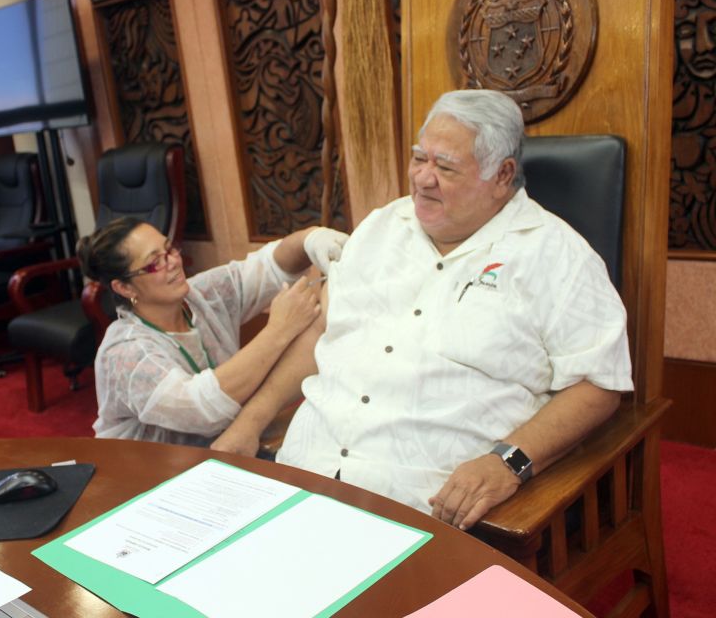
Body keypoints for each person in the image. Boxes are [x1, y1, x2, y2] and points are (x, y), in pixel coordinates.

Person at [212, 89, 634, 530]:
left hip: (423, 503)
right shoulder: (380, 228)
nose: (423, 179)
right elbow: (323, 333)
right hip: (304, 469)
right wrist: (250, 421)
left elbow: (598, 384)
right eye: (419, 159)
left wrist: (508, 462)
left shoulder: (556, 255)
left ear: (503, 175)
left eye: (446, 166)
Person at [77, 216, 348, 447]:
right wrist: (279, 330)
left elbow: (271, 266)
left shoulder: (201, 295)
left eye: (170, 249)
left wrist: (310, 238)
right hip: (147, 477)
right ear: (124, 288)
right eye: (154, 262)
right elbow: (200, 410)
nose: (173, 262)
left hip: (217, 453)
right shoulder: (125, 354)